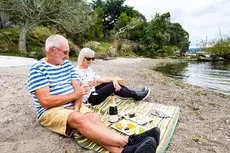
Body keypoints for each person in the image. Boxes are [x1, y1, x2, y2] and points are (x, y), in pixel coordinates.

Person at [27, 34, 160, 153]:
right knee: (78, 118)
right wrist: (75, 100)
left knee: (94, 119)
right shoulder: (38, 69)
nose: (67, 56)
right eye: (65, 52)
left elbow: (78, 90)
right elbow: (46, 102)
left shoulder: (66, 65)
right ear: (52, 50)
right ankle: (129, 140)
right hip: (51, 110)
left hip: (73, 104)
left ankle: (124, 151)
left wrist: (77, 107)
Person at [75, 48, 150, 106]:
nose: (91, 61)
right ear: (82, 57)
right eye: (88, 59)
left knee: (112, 83)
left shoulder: (88, 69)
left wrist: (113, 80)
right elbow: (76, 90)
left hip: (93, 91)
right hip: (89, 98)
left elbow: (100, 79)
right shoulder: (76, 72)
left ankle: (134, 93)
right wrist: (87, 85)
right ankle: (135, 95)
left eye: (92, 59)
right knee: (111, 86)